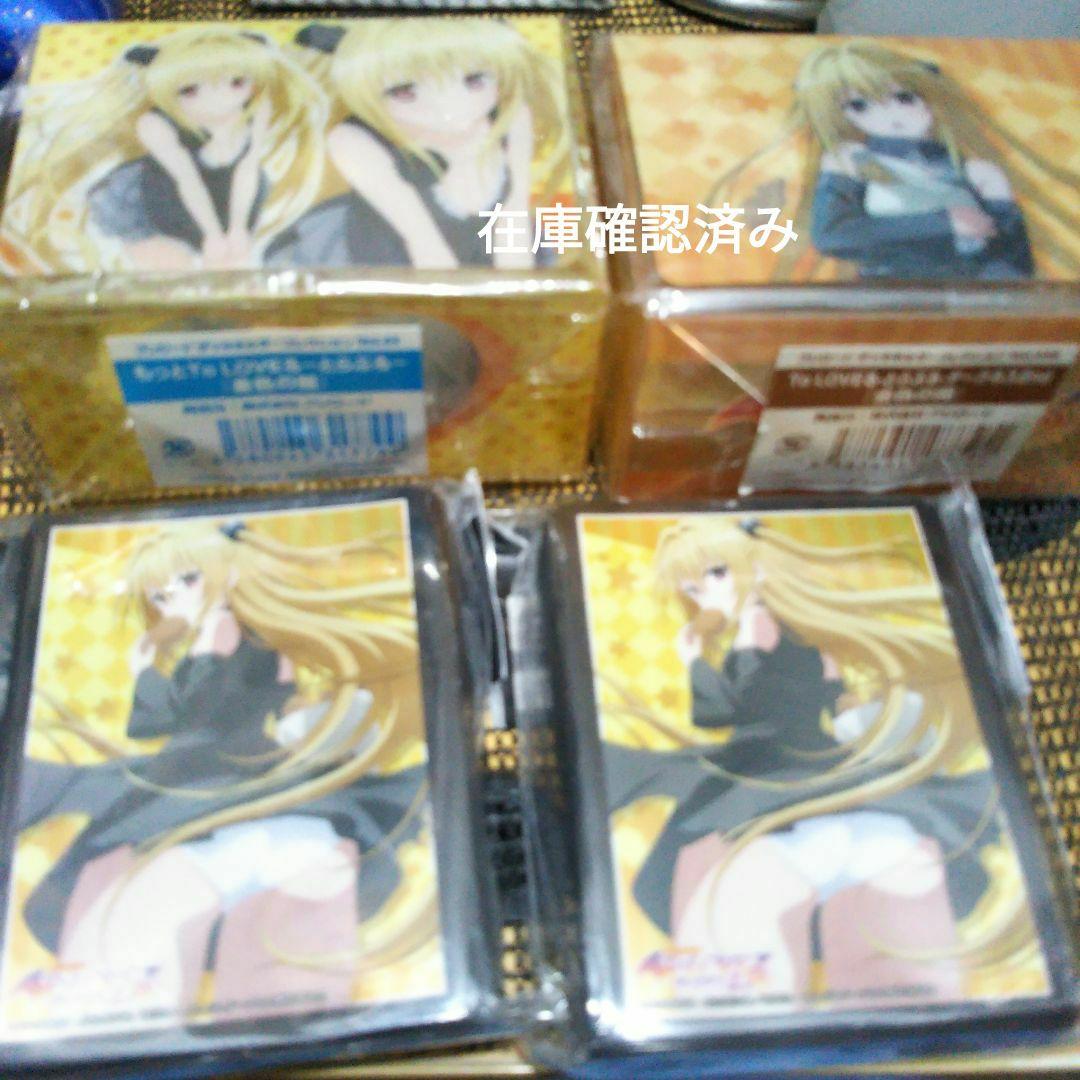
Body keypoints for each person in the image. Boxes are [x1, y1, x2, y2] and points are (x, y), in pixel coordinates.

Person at [17, 518, 433, 1021]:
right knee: (270, 1000)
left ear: (228, 574)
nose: (173, 600)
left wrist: (144, 672)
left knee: (115, 975)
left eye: (186, 581)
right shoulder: (250, 636)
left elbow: (175, 719)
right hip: (249, 799)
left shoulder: (219, 631)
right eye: (161, 595)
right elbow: (189, 716)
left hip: (208, 783)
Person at [604, 516, 1030, 1002]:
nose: (707, 595)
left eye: (715, 574)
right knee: (898, 1001)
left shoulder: (755, 628)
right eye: (693, 589)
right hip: (859, 812)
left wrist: (695, 660)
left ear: (756, 568)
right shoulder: (809, 639)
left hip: (763, 796)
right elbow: (835, 696)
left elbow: (718, 713)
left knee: (736, 993)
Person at [708, 42, 1079, 280]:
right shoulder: (851, 161)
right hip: (890, 298)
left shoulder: (974, 171)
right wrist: (943, 222)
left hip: (971, 303)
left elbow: (1015, 265)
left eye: (904, 98)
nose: (891, 115)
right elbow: (833, 235)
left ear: (929, 97)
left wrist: (996, 208)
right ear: (842, 116)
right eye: (860, 105)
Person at [2, 27, 326, 271]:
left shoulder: (256, 109)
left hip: (233, 191)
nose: (219, 100)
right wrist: (213, 234)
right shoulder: (155, 124)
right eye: (190, 90)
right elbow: (186, 179)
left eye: (237, 83)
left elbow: (248, 168)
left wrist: (238, 229)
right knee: (170, 268)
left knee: (237, 263)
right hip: (156, 198)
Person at [265, 20, 569, 271]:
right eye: (405, 92)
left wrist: (515, 292)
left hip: (490, 247)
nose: (449, 108)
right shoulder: (353, 140)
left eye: (475, 80)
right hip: (386, 255)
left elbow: (512, 214)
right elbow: (424, 243)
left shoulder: (512, 117)